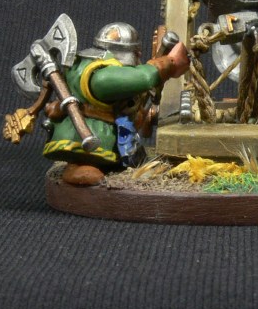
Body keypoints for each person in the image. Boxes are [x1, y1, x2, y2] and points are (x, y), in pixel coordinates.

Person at [42, 22, 189, 186]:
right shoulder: (101, 76)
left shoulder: (86, 63)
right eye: (136, 55)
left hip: (104, 132)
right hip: (88, 136)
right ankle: (78, 168)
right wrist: (170, 62)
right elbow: (144, 77)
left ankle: (114, 163)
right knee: (88, 160)